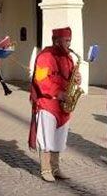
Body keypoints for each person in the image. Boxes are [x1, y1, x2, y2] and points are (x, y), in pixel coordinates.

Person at [29, 27, 79, 182]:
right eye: (67, 41)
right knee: (46, 138)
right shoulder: (45, 56)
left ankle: (56, 168)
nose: (69, 44)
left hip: (63, 105)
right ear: (57, 41)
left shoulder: (69, 57)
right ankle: (45, 169)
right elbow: (41, 80)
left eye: (70, 40)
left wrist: (77, 79)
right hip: (48, 103)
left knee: (59, 138)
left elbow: (70, 77)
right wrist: (58, 93)